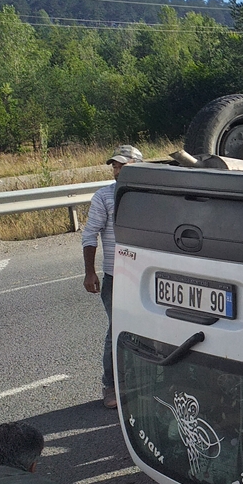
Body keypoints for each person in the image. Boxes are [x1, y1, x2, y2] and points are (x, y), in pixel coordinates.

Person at [83, 144, 143, 409]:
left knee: (148, 331)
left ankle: (143, 382)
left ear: (138, 166)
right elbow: (89, 234)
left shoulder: (150, 196)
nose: (116, 170)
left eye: (121, 165)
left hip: (145, 277)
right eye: (114, 166)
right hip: (116, 277)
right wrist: (89, 271)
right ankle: (111, 386)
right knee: (118, 331)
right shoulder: (104, 197)